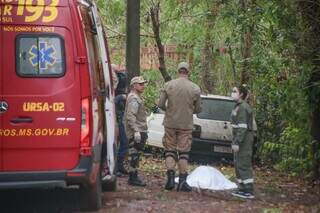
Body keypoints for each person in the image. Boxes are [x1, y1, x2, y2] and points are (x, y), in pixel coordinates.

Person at [158, 62, 201, 192]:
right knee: (183, 153)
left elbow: (160, 104)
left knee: (170, 150)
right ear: (188, 72)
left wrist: (170, 110)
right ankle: (182, 182)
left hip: (170, 123)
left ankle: (170, 179)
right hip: (186, 124)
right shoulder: (195, 88)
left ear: (178, 71)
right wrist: (188, 112)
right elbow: (198, 109)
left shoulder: (169, 85)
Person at [230, 85, 255, 199]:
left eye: (235, 91)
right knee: (238, 164)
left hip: (244, 140)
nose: (232, 93)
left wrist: (237, 142)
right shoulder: (238, 106)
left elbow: (242, 127)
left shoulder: (243, 107)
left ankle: (248, 190)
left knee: (243, 163)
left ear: (241, 94)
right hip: (240, 138)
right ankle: (242, 188)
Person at [124, 76, 148, 187]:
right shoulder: (134, 98)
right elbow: (130, 116)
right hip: (136, 130)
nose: (143, 86)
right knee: (134, 154)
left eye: (143, 84)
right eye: (140, 84)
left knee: (135, 154)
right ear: (134, 85)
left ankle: (133, 176)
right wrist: (136, 131)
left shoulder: (136, 97)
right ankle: (133, 178)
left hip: (138, 129)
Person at [114, 69, 129, 176]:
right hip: (116, 119)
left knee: (124, 143)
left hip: (121, 118)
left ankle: (119, 166)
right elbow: (111, 102)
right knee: (120, 143)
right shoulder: (114, 91)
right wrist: (120, 97)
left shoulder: (122, 91)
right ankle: (116, 168)